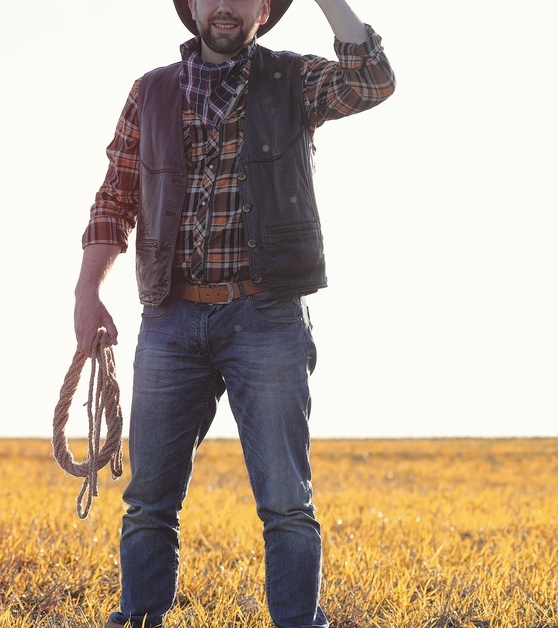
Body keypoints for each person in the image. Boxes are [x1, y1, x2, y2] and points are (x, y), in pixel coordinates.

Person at [73, 1, 394, 626]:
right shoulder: (150, 92)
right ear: (192, 6)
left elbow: (371, 81)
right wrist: (88, 293)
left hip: (267, 316)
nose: (225, 5)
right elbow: (114, 199)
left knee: (286, 504)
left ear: (265, 9)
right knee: (147, 503)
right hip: (170, 318)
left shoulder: (294, 80)